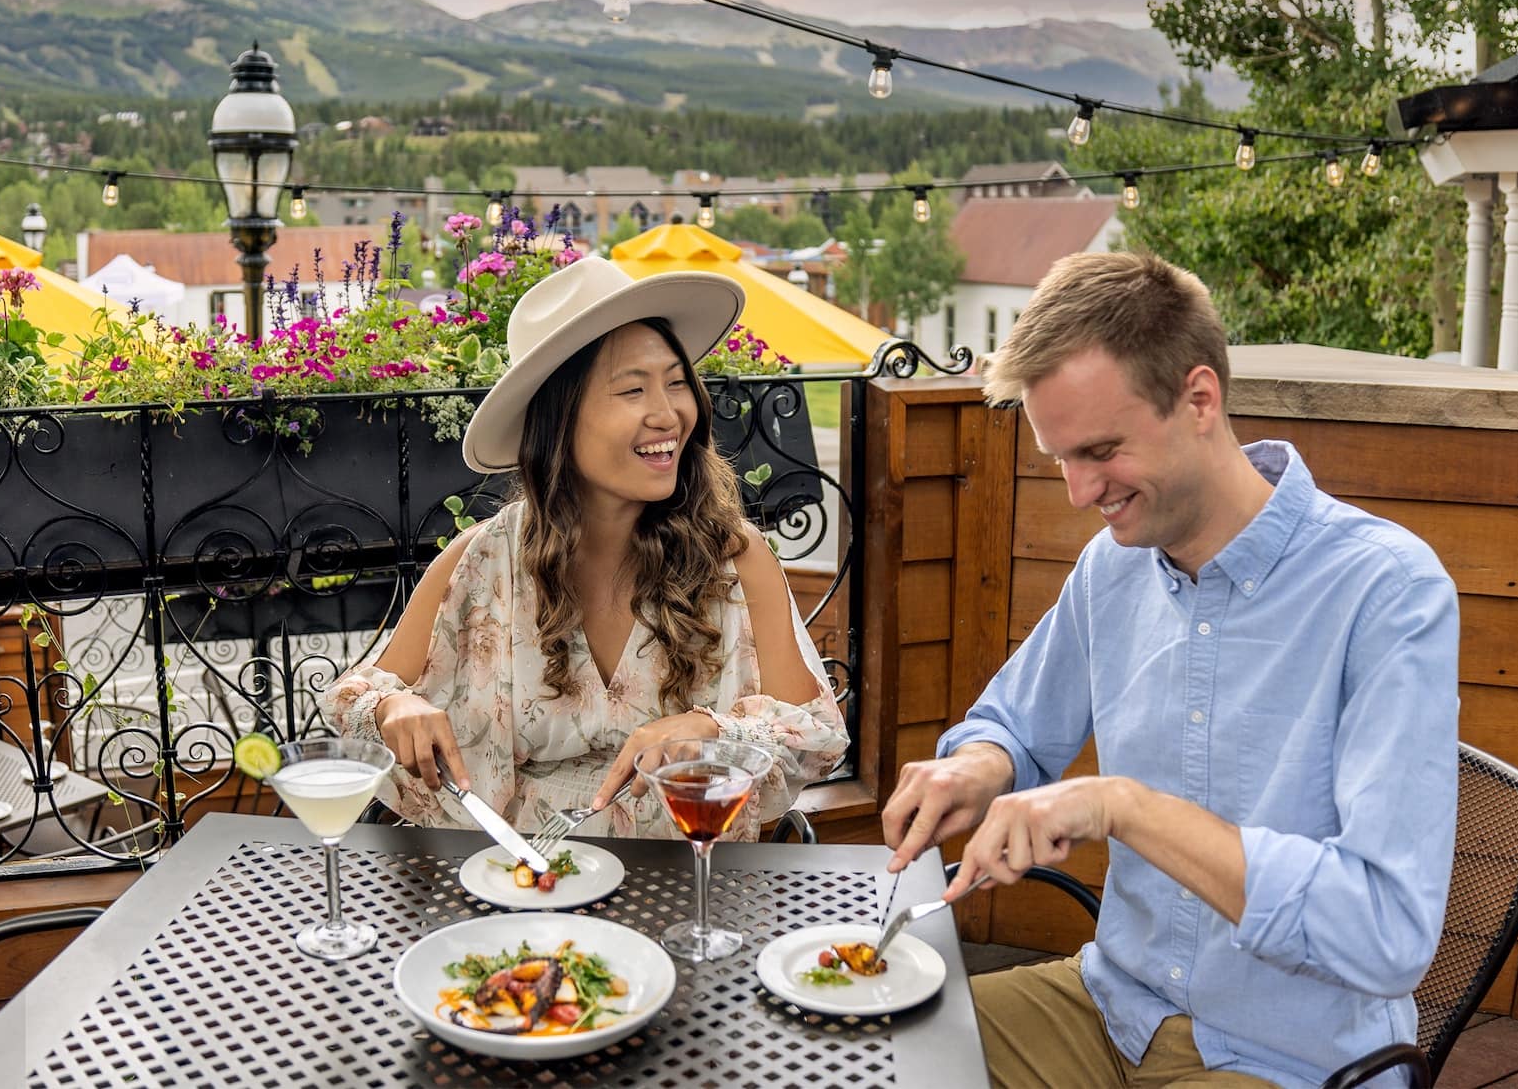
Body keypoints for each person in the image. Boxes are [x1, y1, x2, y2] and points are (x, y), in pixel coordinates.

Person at [882, 252, 1458, 1089]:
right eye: (1060, 460)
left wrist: (1124, 807)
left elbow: (1384, 933)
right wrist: (978, 767)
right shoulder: (1112, 568)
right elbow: (1014, 725)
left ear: (1198, 399)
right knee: (862, 1050)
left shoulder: (1388, 592)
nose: (1080, 492)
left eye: (1101, 451)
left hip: (1288, 1059)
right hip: (1113, 1005)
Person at [323, 254, 848, 838]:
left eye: (676, 383)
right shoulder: (482, 560)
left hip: (691, 885)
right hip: (515, 880)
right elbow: (353, 700)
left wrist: (713, 731)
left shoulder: (734, 559)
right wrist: (395, 708)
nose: (668, 413)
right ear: (558, 420)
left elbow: (817, 734)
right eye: (632, 390)